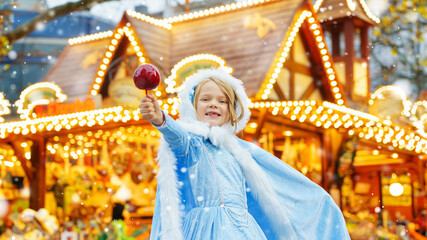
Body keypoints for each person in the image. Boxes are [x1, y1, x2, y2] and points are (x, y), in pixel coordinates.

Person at [139, 68, 350, 240]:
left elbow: (277, 182)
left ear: (231, 112)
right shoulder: (194, 143)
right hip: (208, 229)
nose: (213, 104)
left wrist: (319, 200)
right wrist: (161, 120)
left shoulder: (239, 151)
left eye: (222, 101)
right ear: (194, 107)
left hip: (243, 228)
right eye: (206, 99)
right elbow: (178, 137)